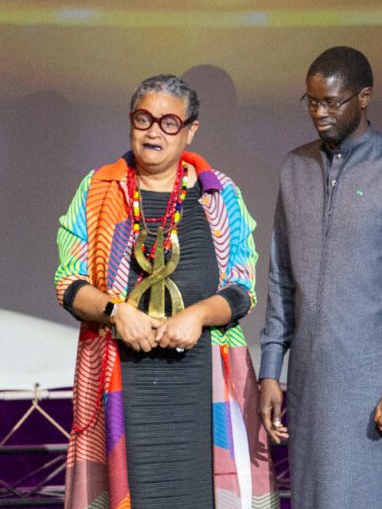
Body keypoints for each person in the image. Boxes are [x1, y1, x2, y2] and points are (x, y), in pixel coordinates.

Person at [55, 74, 278, 509]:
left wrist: (196, 316)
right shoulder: (99, 189)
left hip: (204, 378)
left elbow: (242, 288)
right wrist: (117, 313)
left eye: (169, 122)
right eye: (144, 119)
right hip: (123, 379)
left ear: (191, 129)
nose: (154, 131)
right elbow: (68, 281)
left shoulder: (221, 195)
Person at [258, 47, 382, 508]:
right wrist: (269, 371)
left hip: (373, 386)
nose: (319, 114)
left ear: (364, 98)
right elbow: (281, 277)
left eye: (332, 102)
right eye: (312, 101)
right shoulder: (294, 169)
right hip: (310, 386)